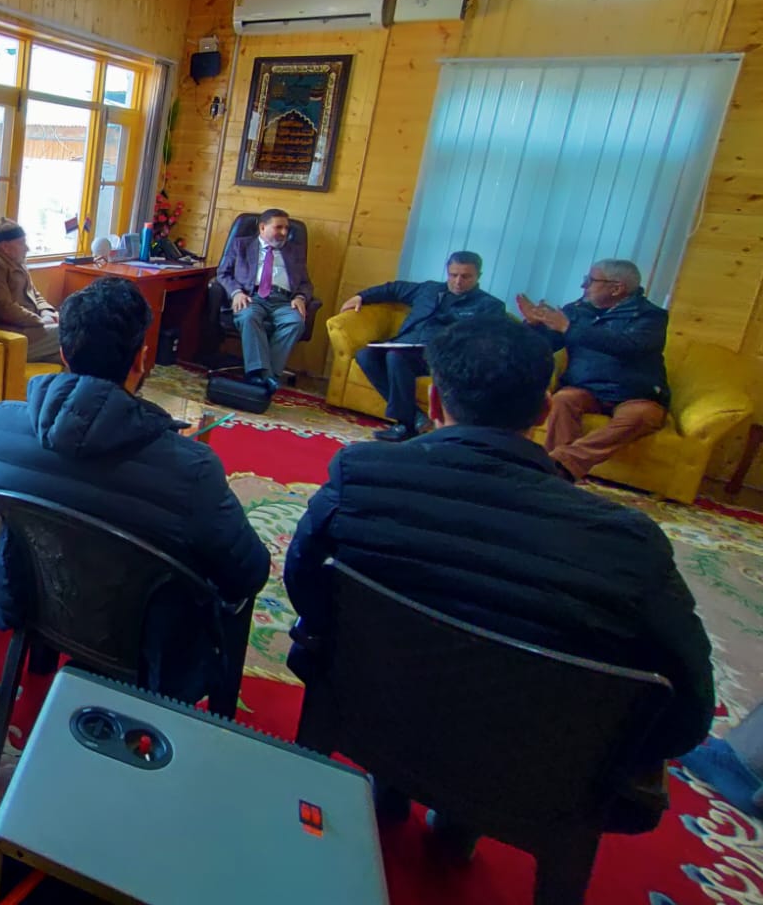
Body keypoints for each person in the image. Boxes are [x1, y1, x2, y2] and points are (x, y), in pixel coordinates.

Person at [285, 317, 713, 849]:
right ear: (541, 412)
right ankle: (457, 827)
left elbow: (303, 582)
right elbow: (688, 708)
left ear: (436, 403)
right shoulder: (626, 542)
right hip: (533, 757)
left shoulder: (362, 474)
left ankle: (391, 784)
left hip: (374, 701)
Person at [0, 277, 270, 701]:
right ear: (141, 360)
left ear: (62, 354)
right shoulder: (192, 468)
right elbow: (248, 573)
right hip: (151, 649)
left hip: (38, 603)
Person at [517, 258, 670, 482]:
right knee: (562, 400)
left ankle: (560, 463)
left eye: (590, 280)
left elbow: (627, 346)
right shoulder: (577, 310)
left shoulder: (651, 316)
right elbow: (545, 345)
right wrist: (533, 325)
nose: (583, 286)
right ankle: (555, 477)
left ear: (617, 288)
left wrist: (569, 327)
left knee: (641, 416)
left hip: (636, 395)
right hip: (587, 389)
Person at [338, 251, 505, 441]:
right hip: (405, 346)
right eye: (453, 275)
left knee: (396, 358)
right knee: (365, 355)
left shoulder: (489, 306)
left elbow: (491, 340)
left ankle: (405, 424)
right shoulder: (429, 290)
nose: (458, 281)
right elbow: (393, 288)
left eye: (466, 277)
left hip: (443, 357)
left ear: (478, 276)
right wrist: (361, 296)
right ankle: (416, 416)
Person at [216, 208, 316, 393]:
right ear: (262, 227)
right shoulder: (241, 245)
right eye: (278, 228)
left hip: (284, 300)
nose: (284, 233)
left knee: (295, 322)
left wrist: (301, 297)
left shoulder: (294, 252)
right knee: (248, 317)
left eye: (286, 228)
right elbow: (223, 273)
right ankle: (265, 377)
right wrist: (236, 292)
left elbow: (305, 283)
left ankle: (261, 376)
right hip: (250, 296)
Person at [0, 217, 60, 362]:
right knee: (73, 333)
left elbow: (35, 294)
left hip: (32, 328)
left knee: (77, 356)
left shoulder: (17, 262)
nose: (27, 248)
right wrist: (40, 321)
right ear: (5, 247)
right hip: (13, 333)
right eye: (22, 243)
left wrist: (47, 311)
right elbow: (4, 309)